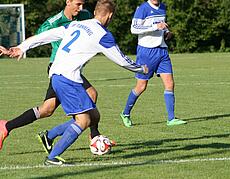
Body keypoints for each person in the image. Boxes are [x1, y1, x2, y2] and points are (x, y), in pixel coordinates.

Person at [6, 0, 148, 165]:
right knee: (83, 121)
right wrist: (141, 69)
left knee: (94, 115)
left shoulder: (76, 25)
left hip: (57, 74)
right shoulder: (103, 34)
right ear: (110, 16)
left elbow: (46, 35)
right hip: (68, 78)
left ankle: (49, 135)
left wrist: (22, 47)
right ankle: (52, 158)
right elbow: (122, 60)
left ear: (95, 12)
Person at [0, 0, 104, 153]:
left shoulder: (85, 15)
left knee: (47, 110)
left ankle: (7, 126)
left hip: (72, 70)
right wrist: (17, 49)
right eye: (78, 4)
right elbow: (38, 38)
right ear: (68, 2)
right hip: (59, 69)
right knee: (91, 94)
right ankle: (94, 136)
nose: (81, 8)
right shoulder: (53, 22)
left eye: (82, 4)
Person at [119, 0, 187, 127]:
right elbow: (134, 29)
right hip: (146, 52)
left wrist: (166, 33)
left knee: (170, 84)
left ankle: (171, 119)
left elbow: (162, 27)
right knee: (141, 87)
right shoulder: (143, 9)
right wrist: (155, 27)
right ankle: (125, 113)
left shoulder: (163, 8)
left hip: (162, 50)